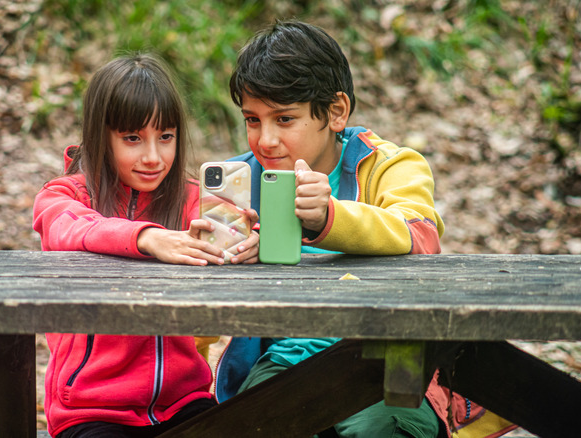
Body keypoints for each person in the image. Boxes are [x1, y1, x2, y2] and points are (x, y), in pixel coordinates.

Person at [215, 20, 515, 438]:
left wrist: (328, 218)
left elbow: (418, 235)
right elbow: (203, 322)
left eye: (284, 119)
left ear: (336, 111)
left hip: (389, 358)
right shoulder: (241, 180)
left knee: (380, 430)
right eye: (252, 119)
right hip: (284, 358)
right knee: (250, 426)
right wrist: (218, 257)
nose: (264, 140)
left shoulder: (389, 165)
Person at [32, 53, 258, 438]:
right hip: (91, 406)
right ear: (99, 136)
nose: (153, 157)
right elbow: (64, 226)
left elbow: (234, 237)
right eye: (133, 138)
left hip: (182, 400)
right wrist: (148, 238)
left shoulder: (192, 201)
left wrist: (251, 244)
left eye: (165, 137)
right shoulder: (67, 195)